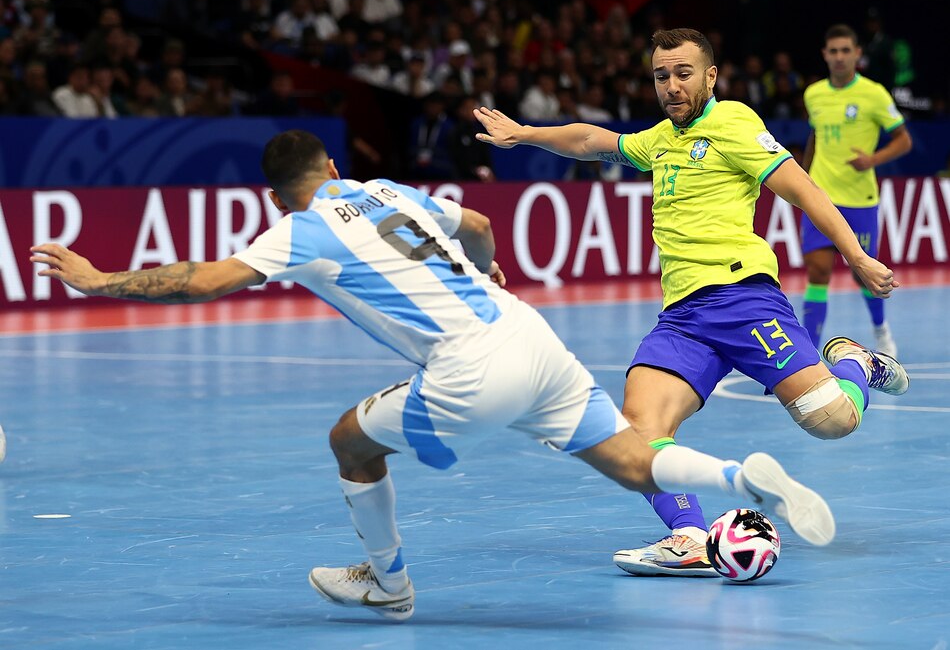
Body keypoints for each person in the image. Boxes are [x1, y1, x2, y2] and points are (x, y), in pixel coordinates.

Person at [32, 129, 835, 621]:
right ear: (336, 164)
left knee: (349, 441)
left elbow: (206, 280)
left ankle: (389, 584)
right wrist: (490, 280)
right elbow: (481, 224)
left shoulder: (298, 230)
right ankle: (741, 477)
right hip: (527, 331)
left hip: (469, 368)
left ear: (274, 194)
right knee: (629, 457)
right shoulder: (384, 189)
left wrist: (99, 280)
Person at [474, 28, 910, 578]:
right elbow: (591, 141)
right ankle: (688, 536)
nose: (673, 86)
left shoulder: (733, 121)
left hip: (744, 298)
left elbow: (802, 189)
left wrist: (856, 257)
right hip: (682, 318)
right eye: (662, 76)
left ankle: (853, 363)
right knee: (637, 429)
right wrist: (524, 133)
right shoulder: (659, 139)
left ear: (710, 76)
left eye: (684, 73)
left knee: (831, 420)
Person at [801, 24, 912, 357]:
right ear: (825, 55)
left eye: (845, 50)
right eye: (833, 51)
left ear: (857, 54)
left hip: (860, 200)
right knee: (818, 271)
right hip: (820, 196)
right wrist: (803, 177)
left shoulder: (874, 93)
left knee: (864, 274)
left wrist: (873, 159)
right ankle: (807, 354)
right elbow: (815, 136)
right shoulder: (813, 94)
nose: (839, 57)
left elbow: (903, 140)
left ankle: (881, 331)